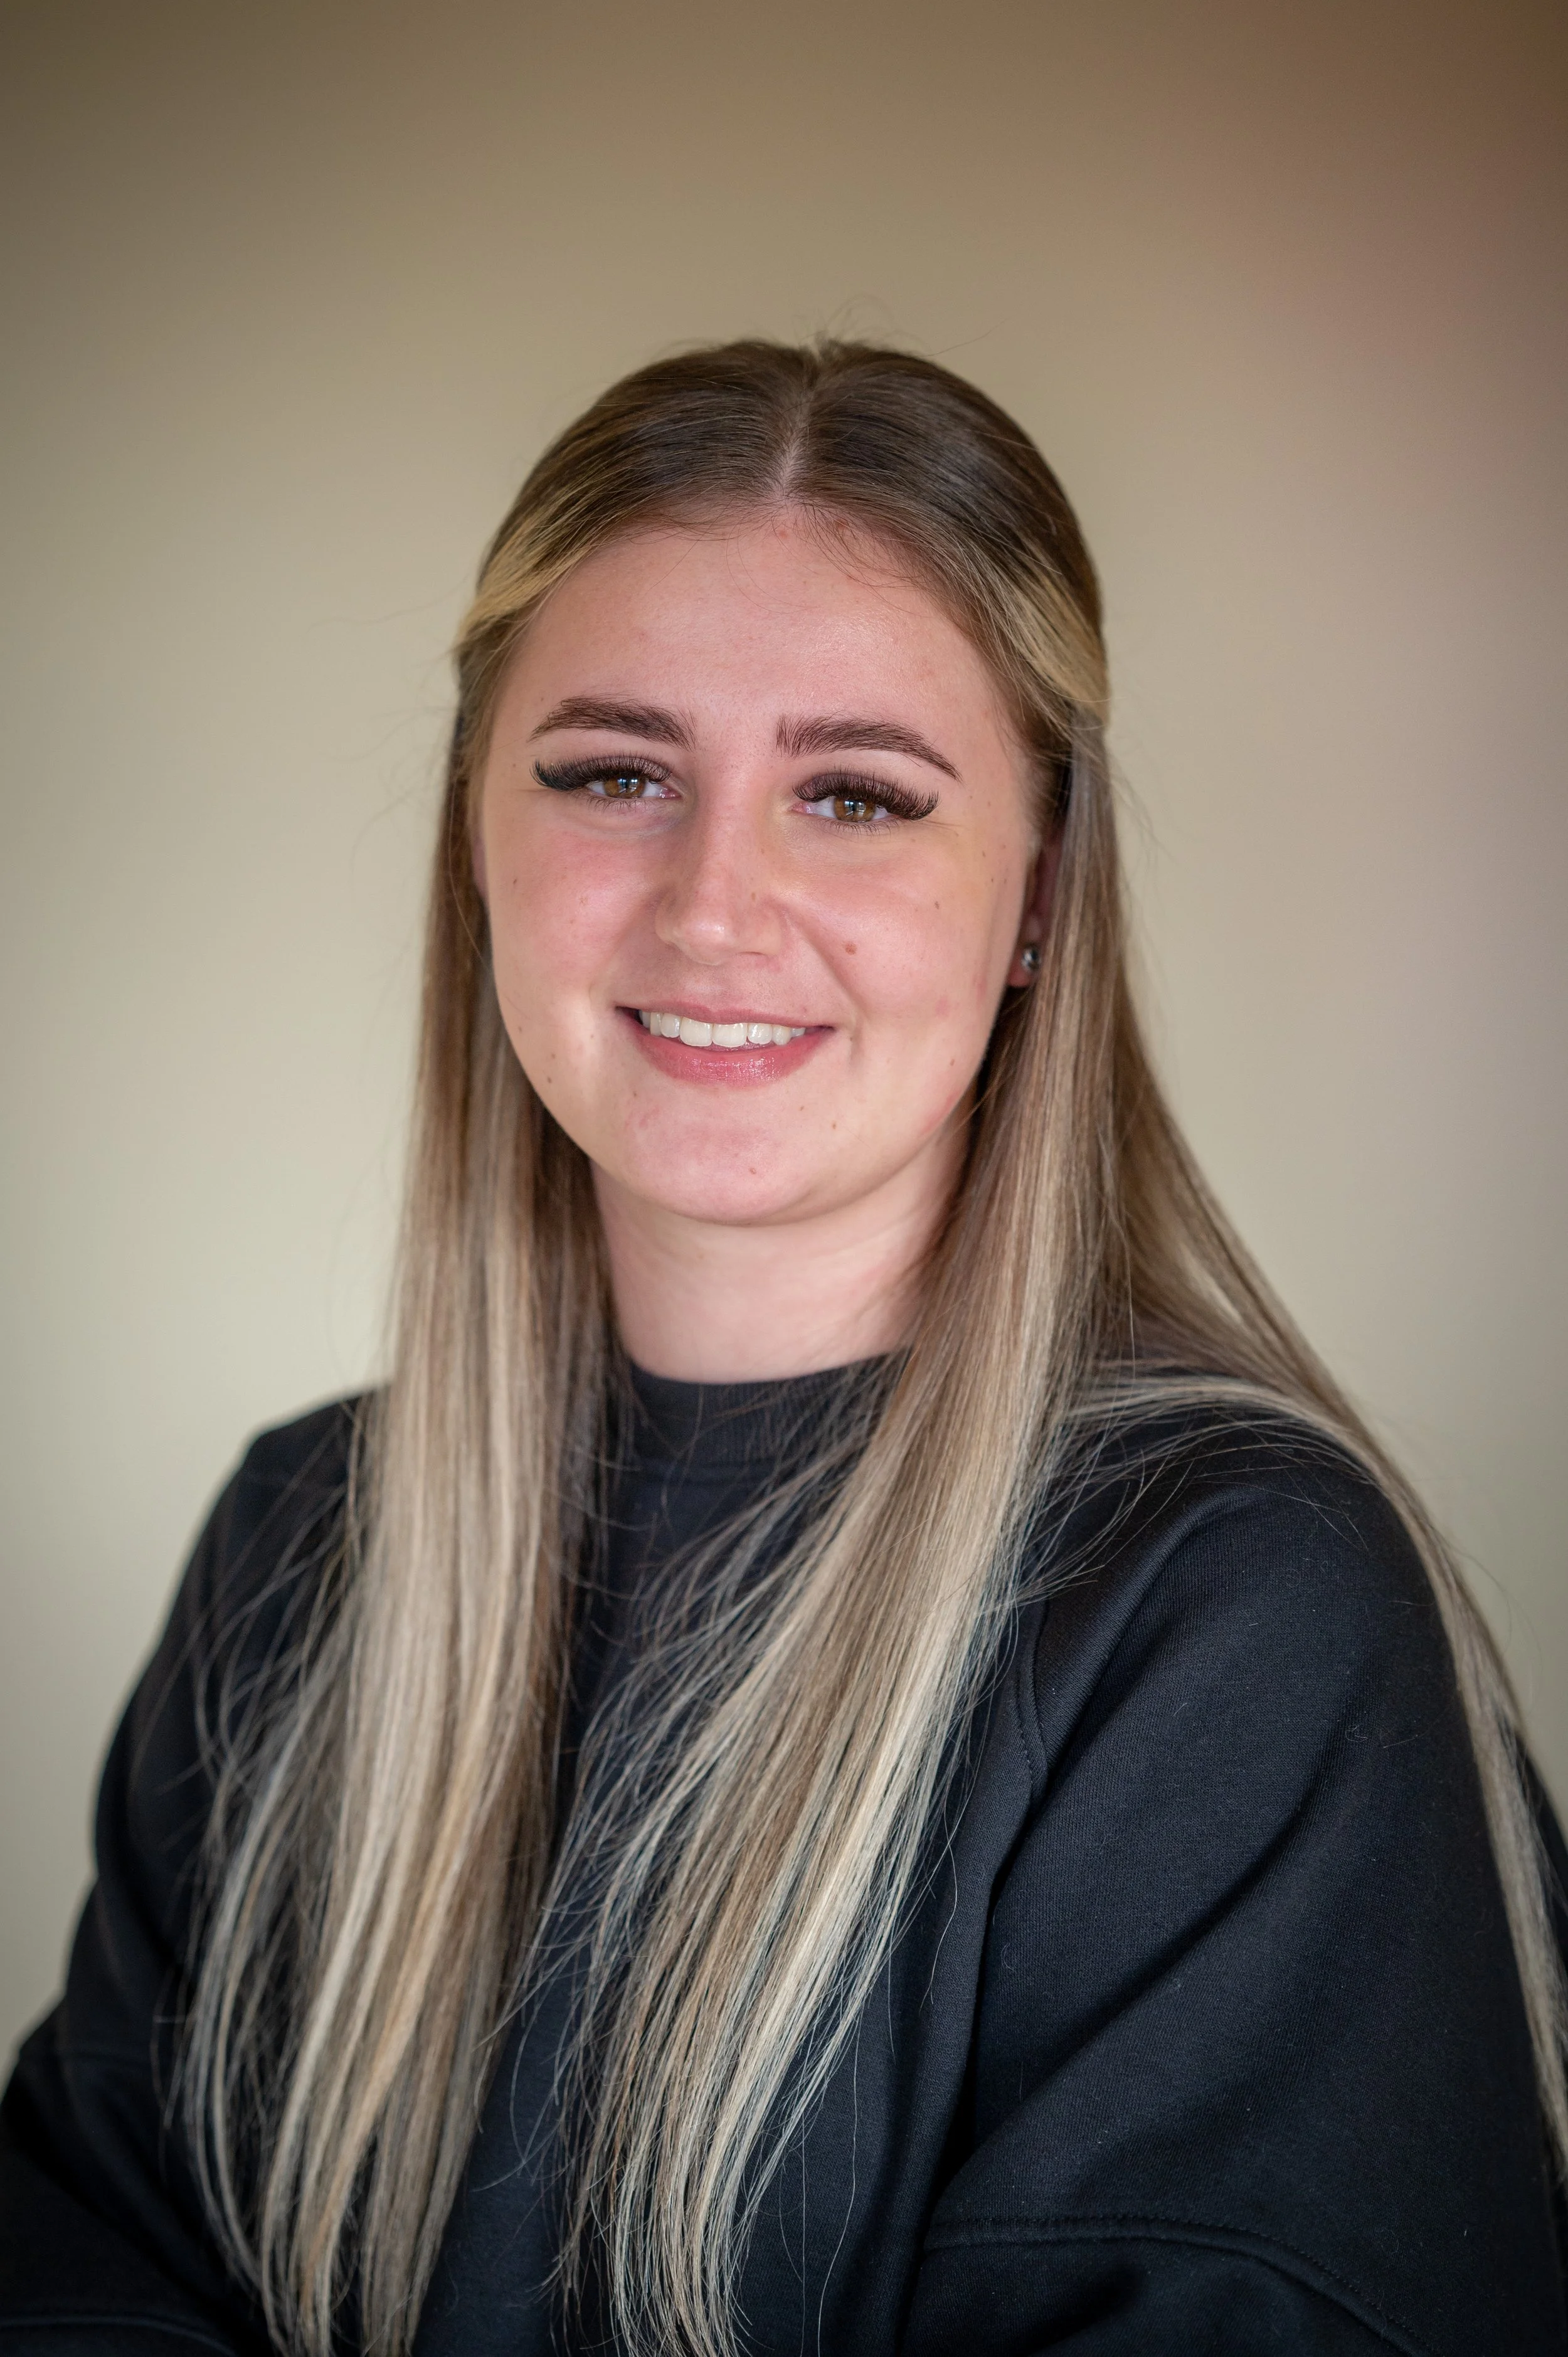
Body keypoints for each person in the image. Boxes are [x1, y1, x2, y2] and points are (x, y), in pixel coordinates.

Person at [1, 339, 1564, 2357]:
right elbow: (76, 2263)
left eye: (853, 793)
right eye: (612, 772)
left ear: (1032, 898)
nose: (715, 904)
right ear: (478, 835)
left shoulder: (1231, 1616)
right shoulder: (306, 1536)